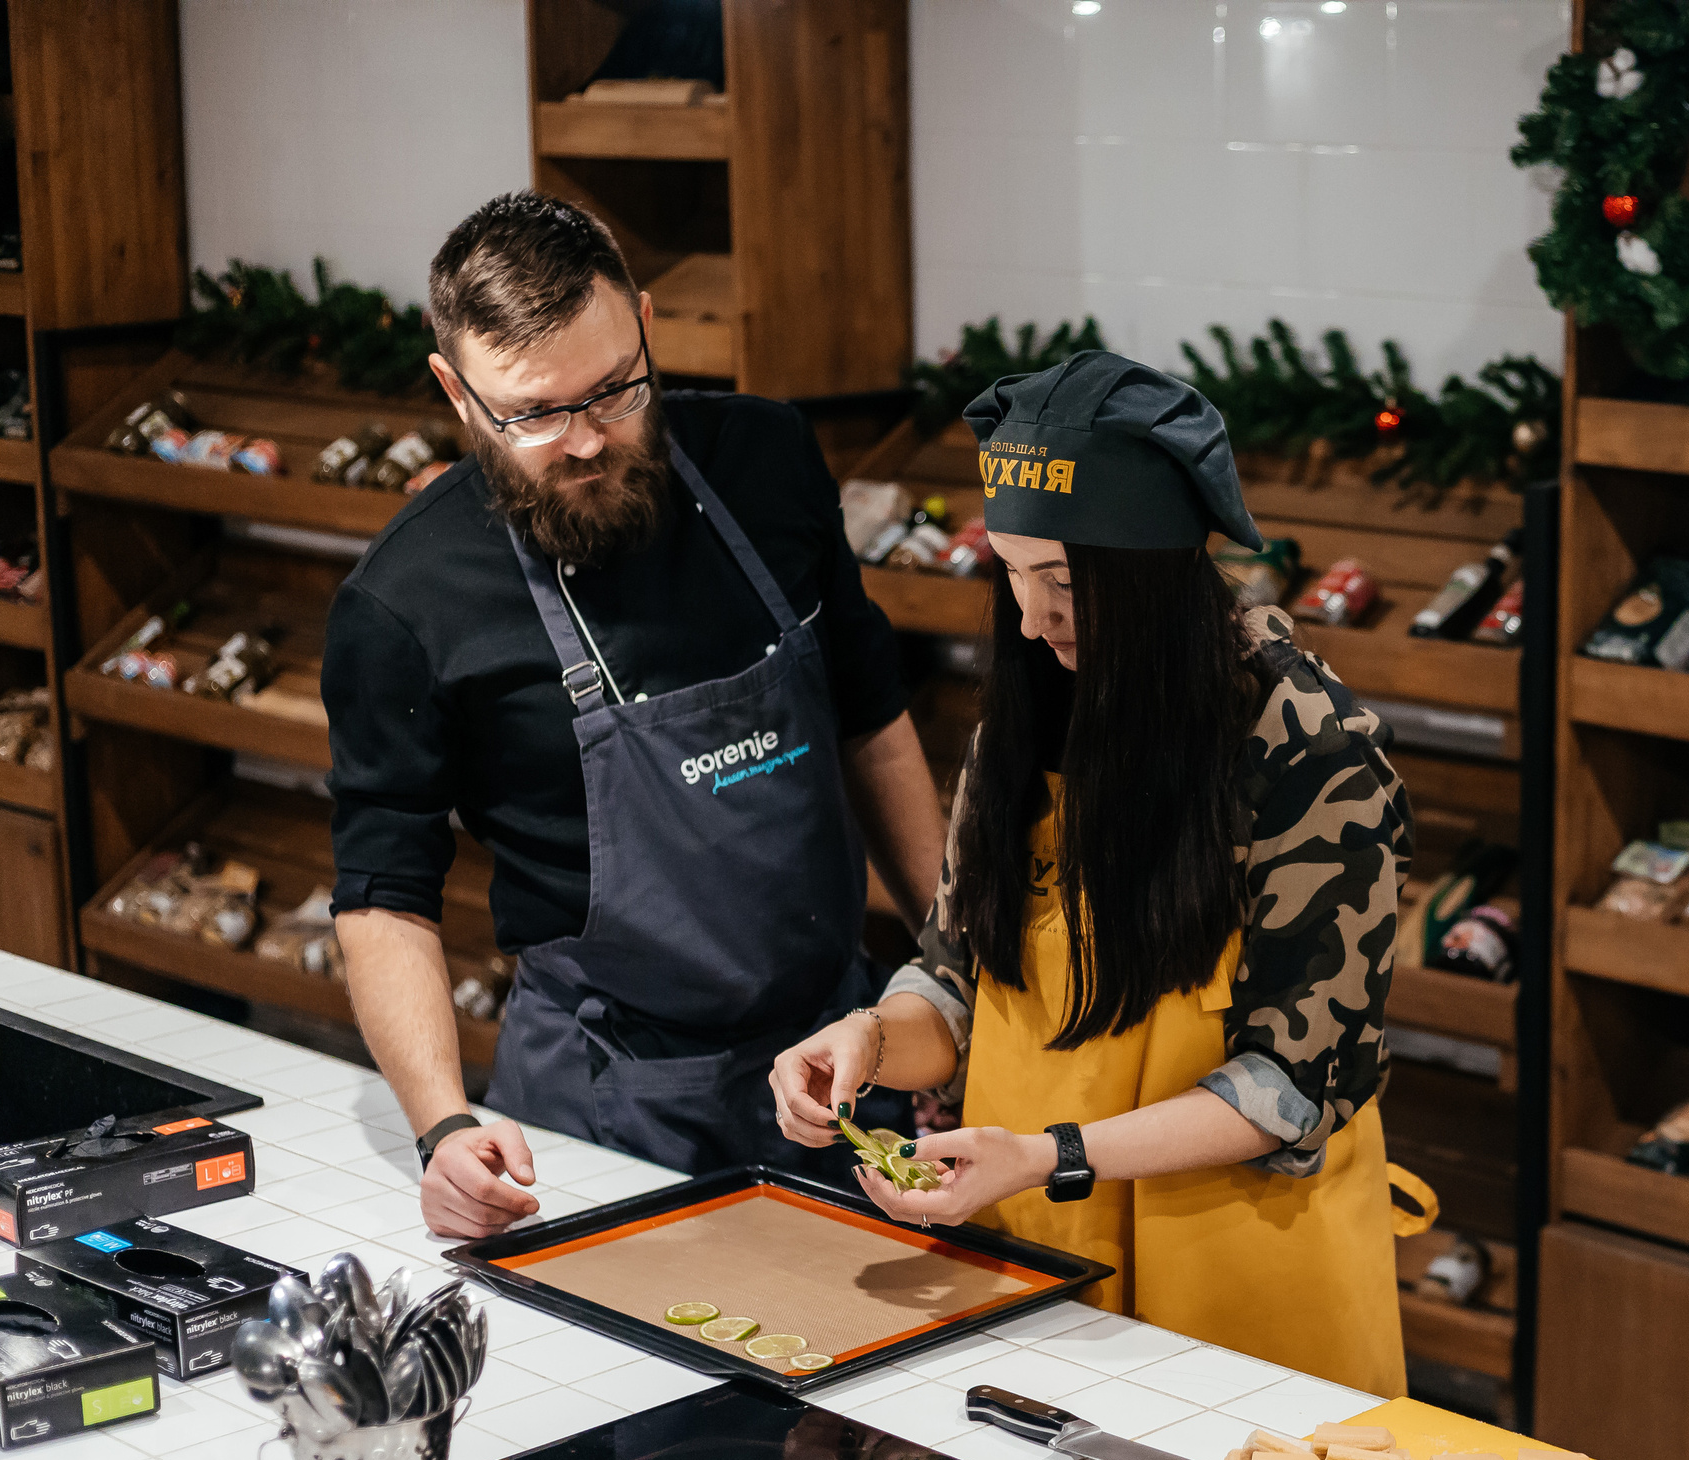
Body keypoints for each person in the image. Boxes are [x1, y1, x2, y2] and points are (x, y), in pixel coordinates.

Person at [770, 352, 1427, 1397]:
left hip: (1239, 1292)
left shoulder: (1308, 748)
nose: (1031, 620)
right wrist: (872, 1040)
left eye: (1066, 583)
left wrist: (1048, 1154)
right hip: (1032, 1263)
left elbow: (1290, 1085)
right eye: (1014, 574)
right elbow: (958, 978)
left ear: (1157, 572)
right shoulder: (1023, 725)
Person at [324, 192, 945, 1239]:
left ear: (646, 322)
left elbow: (870, 723)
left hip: (847, 1061)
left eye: (614, 391)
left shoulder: (766, 461)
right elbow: (385, 894)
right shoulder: (407, 601)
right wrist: (440, 1129)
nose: (582, 441)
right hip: (610, 1106)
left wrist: (951, 980)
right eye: (534, 413)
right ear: (455, 392)